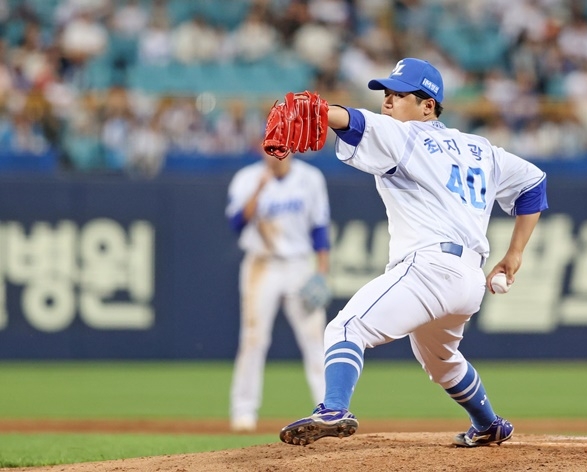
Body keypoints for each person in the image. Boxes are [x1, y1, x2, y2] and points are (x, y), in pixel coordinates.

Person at [279, 58, 548, 447]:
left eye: (399, 94)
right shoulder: (482, 149)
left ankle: (334, 408)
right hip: (469, 280)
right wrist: (515, 253)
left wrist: (320, 111)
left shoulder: (405, 136)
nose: (388, 102)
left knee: (345, 327)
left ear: (428, 106)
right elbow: (534, 184)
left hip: (430, 268)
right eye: (386, 94)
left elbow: (353, 120)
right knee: (441, 362)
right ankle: (489, 424)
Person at [226, 150, 331, 432]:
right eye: (270, 145)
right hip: (262, 265)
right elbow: (237, 223)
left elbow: (320, 227)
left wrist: (321, 271)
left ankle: (329, 409)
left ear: (291, 148)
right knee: (253, 339)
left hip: (299, 264)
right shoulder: (248, 178)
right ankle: (243, 411)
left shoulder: (310, 178)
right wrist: (260, 189)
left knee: (314, 340)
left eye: (280, 145)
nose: (275, 152)